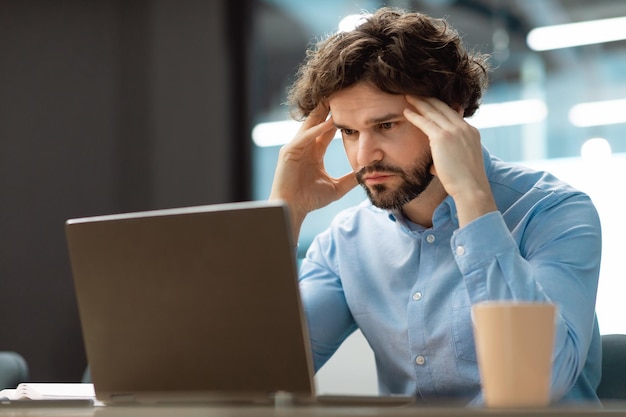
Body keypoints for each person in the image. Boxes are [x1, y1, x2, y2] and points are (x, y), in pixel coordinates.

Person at [269, 7, 602, 405]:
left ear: (452, 110)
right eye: (349, 132)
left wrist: (474, 200)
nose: (364, 154)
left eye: (386, 125)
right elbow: (260, 376)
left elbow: (538, 383)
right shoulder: (345, 243)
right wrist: (283, 217)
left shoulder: (554, 212)